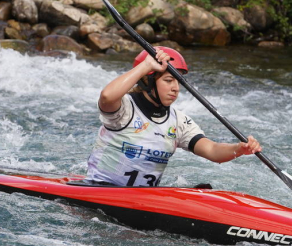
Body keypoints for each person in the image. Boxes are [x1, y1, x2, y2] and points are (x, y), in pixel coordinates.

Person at [87, 47, 262, 187]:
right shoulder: (124, 108)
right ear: (146, 81)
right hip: (101, 190)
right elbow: (107, 97)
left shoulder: (178, 121)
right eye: (169, 80)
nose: (176, 88)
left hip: (142, 201)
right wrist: (147, 66)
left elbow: (212, 151)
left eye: (178, 82)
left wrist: (239, 149)